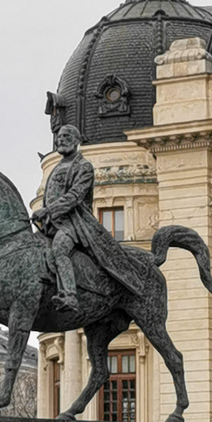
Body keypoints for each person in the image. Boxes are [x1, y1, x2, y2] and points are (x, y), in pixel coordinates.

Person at [31, 125, 145, 312]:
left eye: (66, 136)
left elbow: (75, 195)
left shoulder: (84, 167)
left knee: (59, 250)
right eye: (59, 137)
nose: (60, 140)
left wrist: (48, 210)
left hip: (73, 224)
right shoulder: (57, 167)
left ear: (76, 141)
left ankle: (69, 295)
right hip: (52, 224)